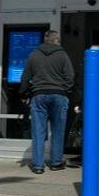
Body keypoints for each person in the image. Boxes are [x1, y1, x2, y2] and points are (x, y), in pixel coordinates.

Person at [19, 30, 74, 174]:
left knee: (38, 131)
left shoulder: (34, 55)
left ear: (45, 39)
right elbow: (70, 76)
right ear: (57, 40)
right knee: (58, 130)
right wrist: (65, 90)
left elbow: (25, 77)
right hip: (58, 95)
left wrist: (23, 93)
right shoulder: (62, 55)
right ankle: (56, 162)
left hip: (39, 95)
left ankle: (38, 165)